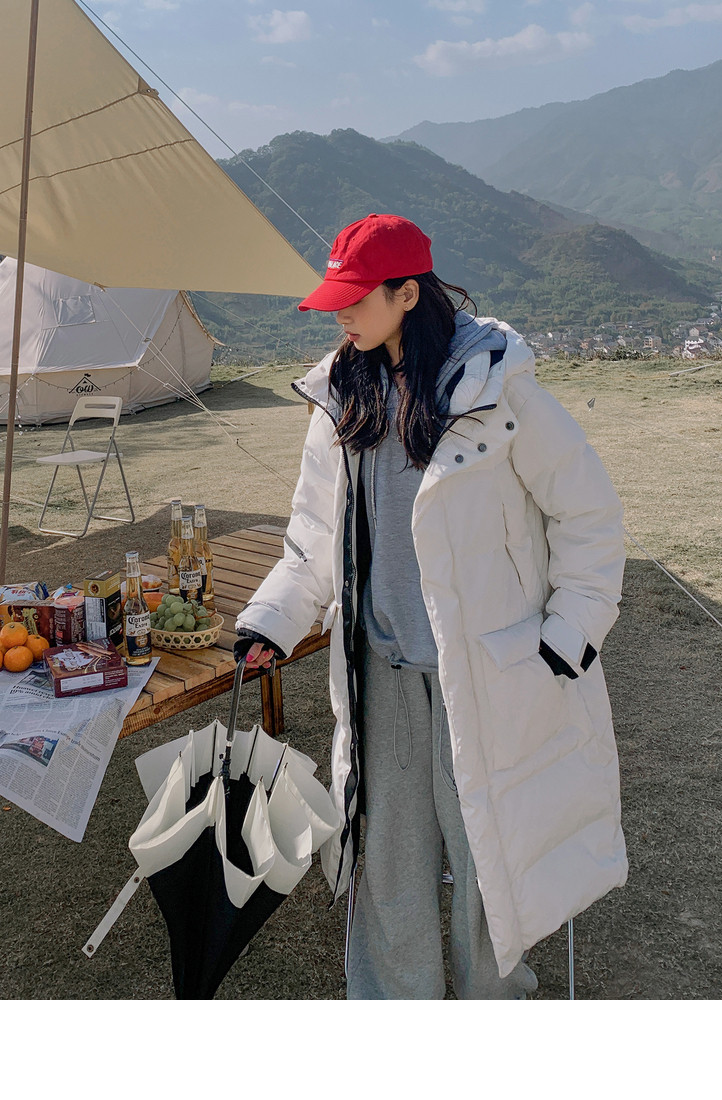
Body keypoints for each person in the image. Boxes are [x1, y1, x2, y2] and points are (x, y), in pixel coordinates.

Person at [234, 213, 628, 1000]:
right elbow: (315, 536)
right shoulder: (342, 393)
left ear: (408, 294)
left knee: (487, 847)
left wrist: (571, 634)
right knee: (388, 853)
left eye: (355, 299)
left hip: (484, 668)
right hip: (379, 668)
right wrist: (273, 619)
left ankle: (491, 997)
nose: (341, 317)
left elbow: (587, 511)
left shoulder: (495, 386)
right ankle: (394, 1004)